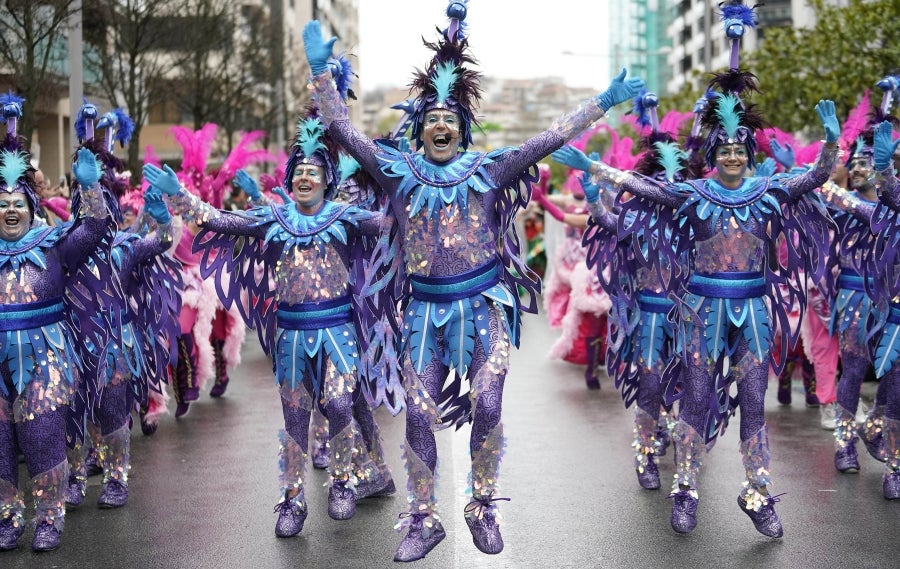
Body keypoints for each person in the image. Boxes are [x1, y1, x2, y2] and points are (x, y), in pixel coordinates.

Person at [302, 2, 643, 561]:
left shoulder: (489, 170)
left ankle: (481, 504)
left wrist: (603, 102)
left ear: (462, 128)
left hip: (484, 308)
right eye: (430, 117)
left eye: (450, 118)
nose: (440, 124)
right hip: (422, 316)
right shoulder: (397, 172)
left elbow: (549, 138)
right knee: (417, 414)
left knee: (487, 404)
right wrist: (321, 73)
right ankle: (423, 516)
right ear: (419, 129)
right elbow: (341, 130)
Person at [553, 2, 840, 537]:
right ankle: (684, 486)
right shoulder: (691, 193)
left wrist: (830, 143)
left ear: (748, 153)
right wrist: (594, 170)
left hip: (754, 310)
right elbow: (644, 188)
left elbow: (815, 179)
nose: (731, 155)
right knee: (697, 396)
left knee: (754, 401)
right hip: (700, 310)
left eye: (739, 148)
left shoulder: (768, 190)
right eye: (723, 147)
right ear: (712, 151)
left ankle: (757, 493)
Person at [144, 110, 396, 537]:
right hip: (291, 337)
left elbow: (392, 225)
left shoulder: (344, 217)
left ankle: (342, 483)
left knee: (338, 404)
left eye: (313, 172)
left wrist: (404, 185)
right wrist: (180, 196)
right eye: (298, 171)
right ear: (289, 179)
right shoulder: (274, 221)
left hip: (338, 332)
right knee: (296, 419)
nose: (304, 178)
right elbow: (222, 220)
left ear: (327, 181)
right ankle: (293, 502)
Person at [0, 92, 114, 552]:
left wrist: (90, 189)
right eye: (0, 202)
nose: (9, 209)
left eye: (16, 202)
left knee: (43, 437)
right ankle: (9, 516)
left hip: (45, 364)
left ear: (32, 207)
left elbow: (95, 230)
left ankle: (49, 516)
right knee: (2, 450)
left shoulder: (52, 245)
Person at [63, 104, 182, 509]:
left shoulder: (125, 247)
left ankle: (116, 478)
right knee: (72, 414)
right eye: (81, 197)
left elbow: (163, 243)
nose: (91, 206)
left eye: (100, 198)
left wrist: (165, 220)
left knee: (114, 412)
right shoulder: (60, 245)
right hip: (69, 345)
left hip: (114, 344)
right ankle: (75, 476)